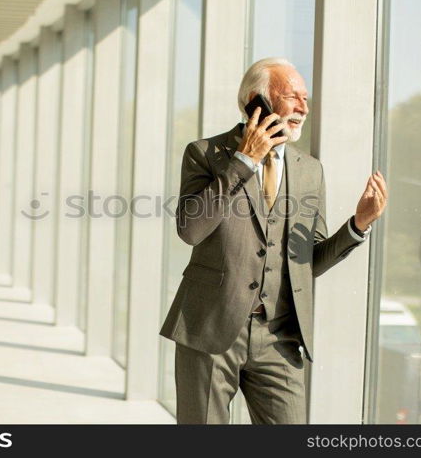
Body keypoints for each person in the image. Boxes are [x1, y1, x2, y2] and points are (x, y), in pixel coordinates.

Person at [159, 57, 388, 424]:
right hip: (210, 328)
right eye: (292, 96)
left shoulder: (310, 170)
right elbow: (191, 229)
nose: (303, 107)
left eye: (306, 99)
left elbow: (306, 260)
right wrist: (244, 161)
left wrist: (358, 225)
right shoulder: (204, 154)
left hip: (279, 337)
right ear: (256, 100)